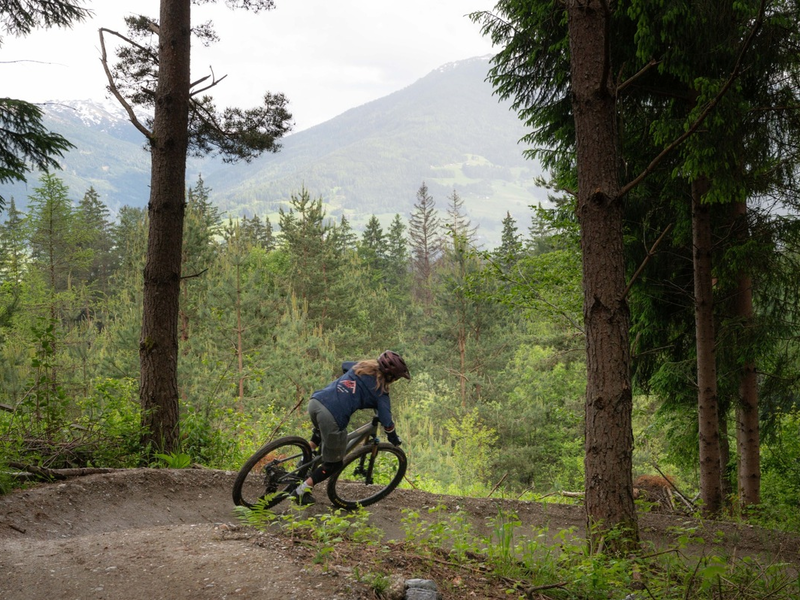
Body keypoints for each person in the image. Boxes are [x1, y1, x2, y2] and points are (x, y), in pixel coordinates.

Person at [290, 350, 411, 505]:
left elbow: (344, 365)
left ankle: (301, 465)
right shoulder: (381, 392)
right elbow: (387, 422)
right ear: (391, 377)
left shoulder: (360, 366)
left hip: (316, 402)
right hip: (331, 416)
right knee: (334, 464)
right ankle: (300, 491)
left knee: (319, 435)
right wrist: (393, 438)